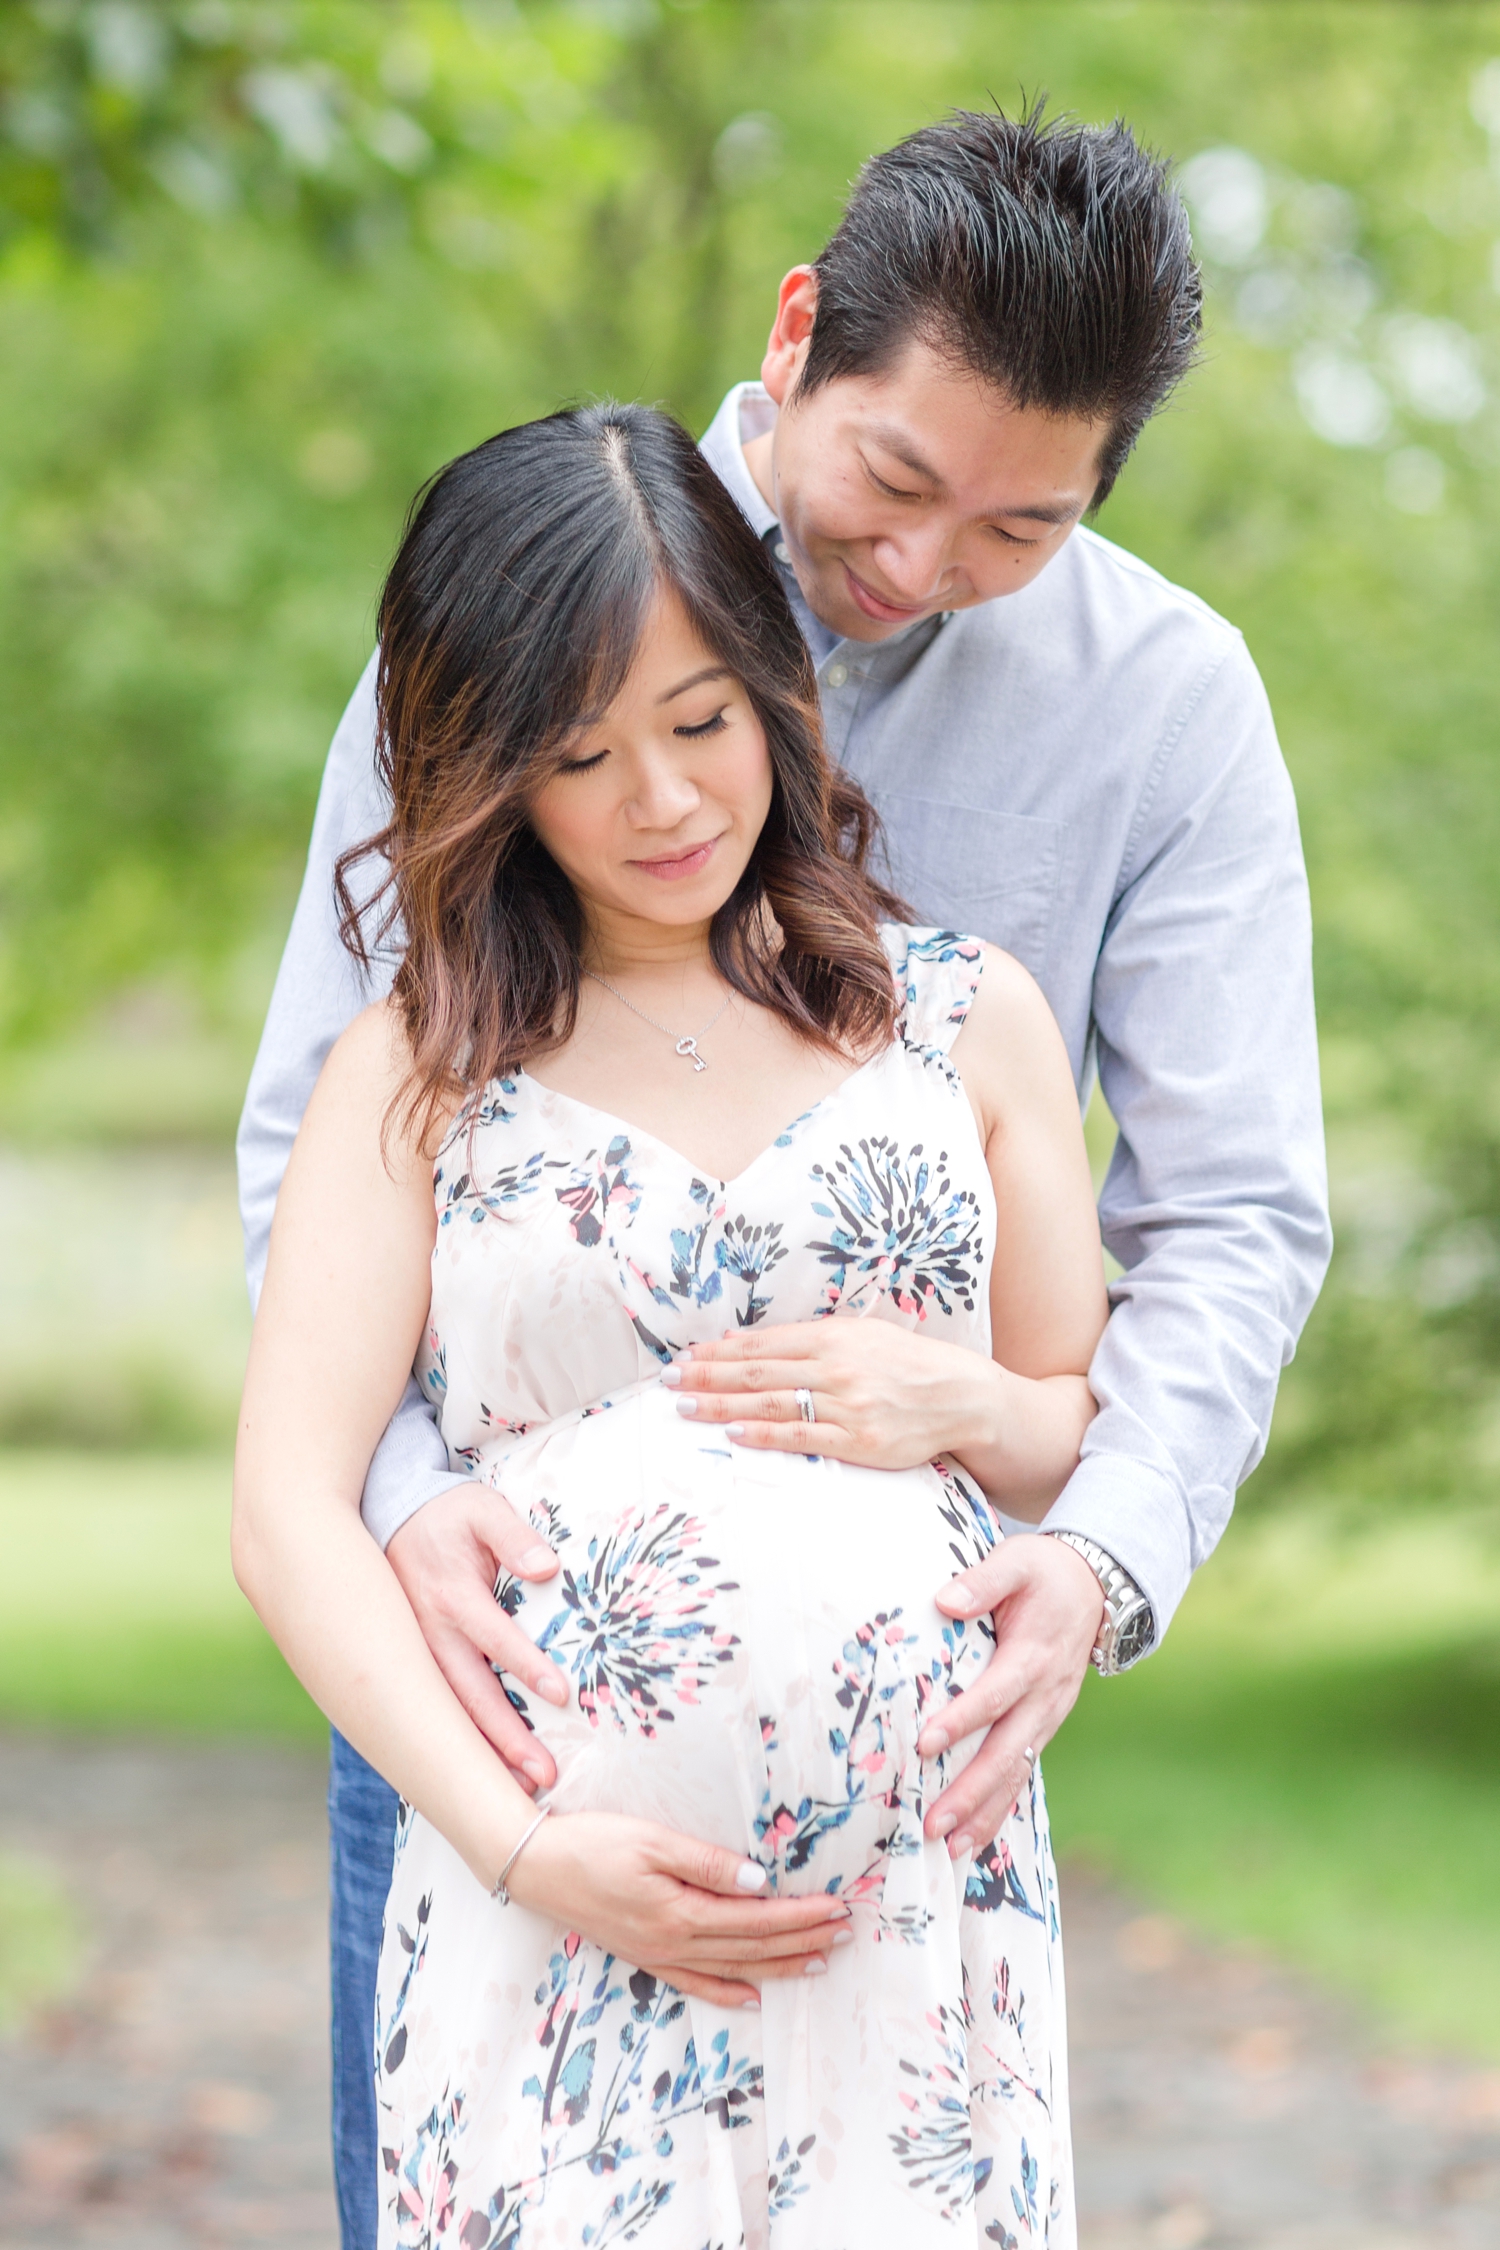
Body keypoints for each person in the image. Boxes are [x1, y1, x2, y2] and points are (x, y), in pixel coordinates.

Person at [236, 105, 1330, 2249]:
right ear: (801, 332)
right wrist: (403, 1520)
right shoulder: (512, 603)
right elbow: (329, 1144)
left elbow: (1229, 1221)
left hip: (910, 1893)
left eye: (1020, 526)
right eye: (898, 484)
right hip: (497, 1737)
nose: (918, 569)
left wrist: (1096, 1550)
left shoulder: (1163, 711)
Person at [236, 396, 1112, 2245]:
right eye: (580, 753)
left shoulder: (966, 1018)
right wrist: (528, 1847)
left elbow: (1061, 1418)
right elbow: (288, 1507)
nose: (663, 800)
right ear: (488, 769)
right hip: (551, 1931)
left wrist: (949, 1395)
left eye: (701, 720)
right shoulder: (423, 1062)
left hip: (911, 1954)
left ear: (778, 693)